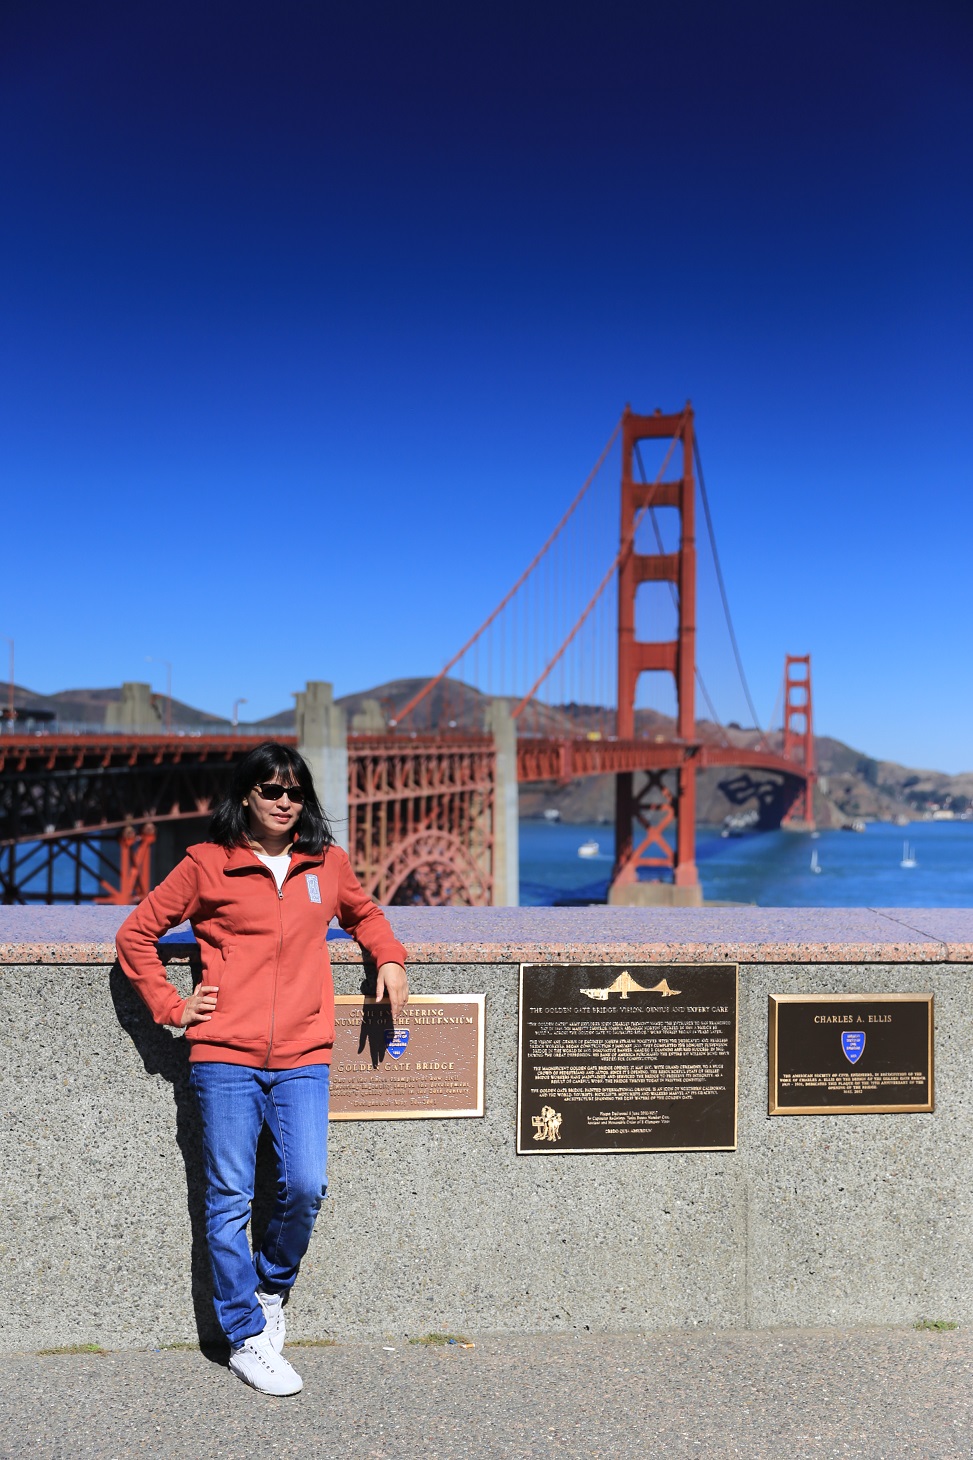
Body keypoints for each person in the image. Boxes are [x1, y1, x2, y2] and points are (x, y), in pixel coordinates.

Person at [116, 741, 408, 1397]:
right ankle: (245, 1336)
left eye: (294, 792)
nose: (283, 802)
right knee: (228, 1199)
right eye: (271, 790)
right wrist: (173, 1005)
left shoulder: (326, 863)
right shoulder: (206, 863)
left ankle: (271, 1286)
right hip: (224, 1055)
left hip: (303, 1054)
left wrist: (389, 957)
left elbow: (364, 914)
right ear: (246, 795)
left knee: (305, 1184)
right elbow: (135, 934)